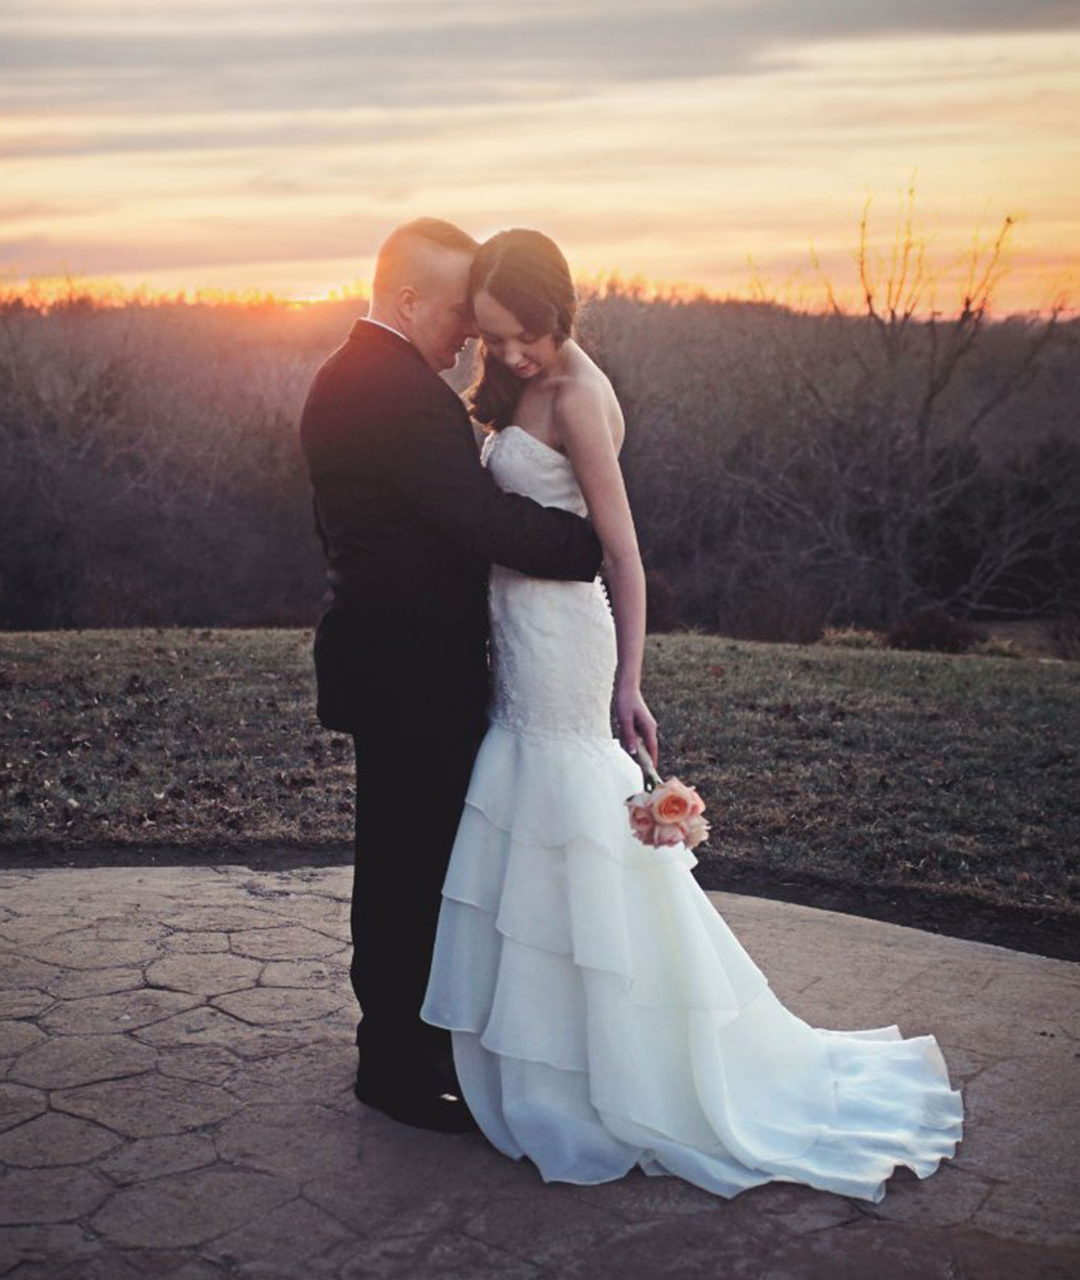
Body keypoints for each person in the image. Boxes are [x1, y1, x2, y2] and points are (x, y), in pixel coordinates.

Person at [420, 229, 964, 1200]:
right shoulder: (515, 383)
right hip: (514, 642)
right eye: (493, 338)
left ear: (559, 311)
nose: (507, 356)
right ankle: (546, 1057)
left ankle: (620, 1068)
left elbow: (621, 555)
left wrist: (629, 681)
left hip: (566, 650)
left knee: (576, 835)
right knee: (532, 841)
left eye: (521, 337)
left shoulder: (580, 395)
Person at [298, 218, 605, 1133]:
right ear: (406, 301)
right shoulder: (392, 392)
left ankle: (408, 1044)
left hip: (391, 659)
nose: (470, 336)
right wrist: (584, 545)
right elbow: (479, 521)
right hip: (411, 672)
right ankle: (395, 1065)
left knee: (406, 862)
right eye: (459, 317)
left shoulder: (348, 377)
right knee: (407, 870)